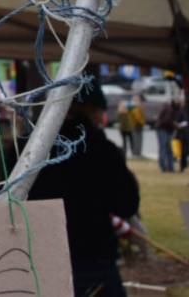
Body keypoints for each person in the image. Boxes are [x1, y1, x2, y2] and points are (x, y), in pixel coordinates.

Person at [27, 79, 139, 297]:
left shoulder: (27, 148)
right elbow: (127, 204)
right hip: (92, 257)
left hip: (38, 256)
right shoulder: (103, 151)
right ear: (90, 110)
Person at [155, 99, 179, 173]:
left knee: (168, 148)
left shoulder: (171, 108)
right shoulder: (171, 110)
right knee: (164, 148)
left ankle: (170, 167)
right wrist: (175, 125)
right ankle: (164, 167)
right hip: (163, 129)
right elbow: (166, 121)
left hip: (165, 129)